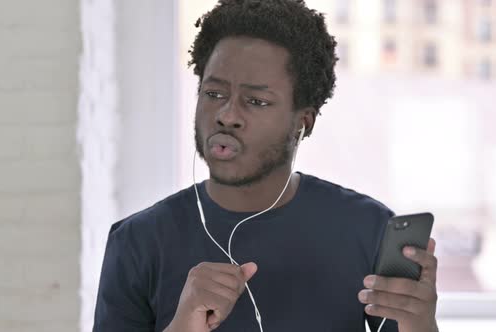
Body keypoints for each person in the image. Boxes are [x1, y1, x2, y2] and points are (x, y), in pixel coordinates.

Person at [93, 0, 439, 331]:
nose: (227, 115)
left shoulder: (368, 228)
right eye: (213, 94)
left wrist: (420, 323)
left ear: (304, 122)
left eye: (256, 101)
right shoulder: (137, 242)